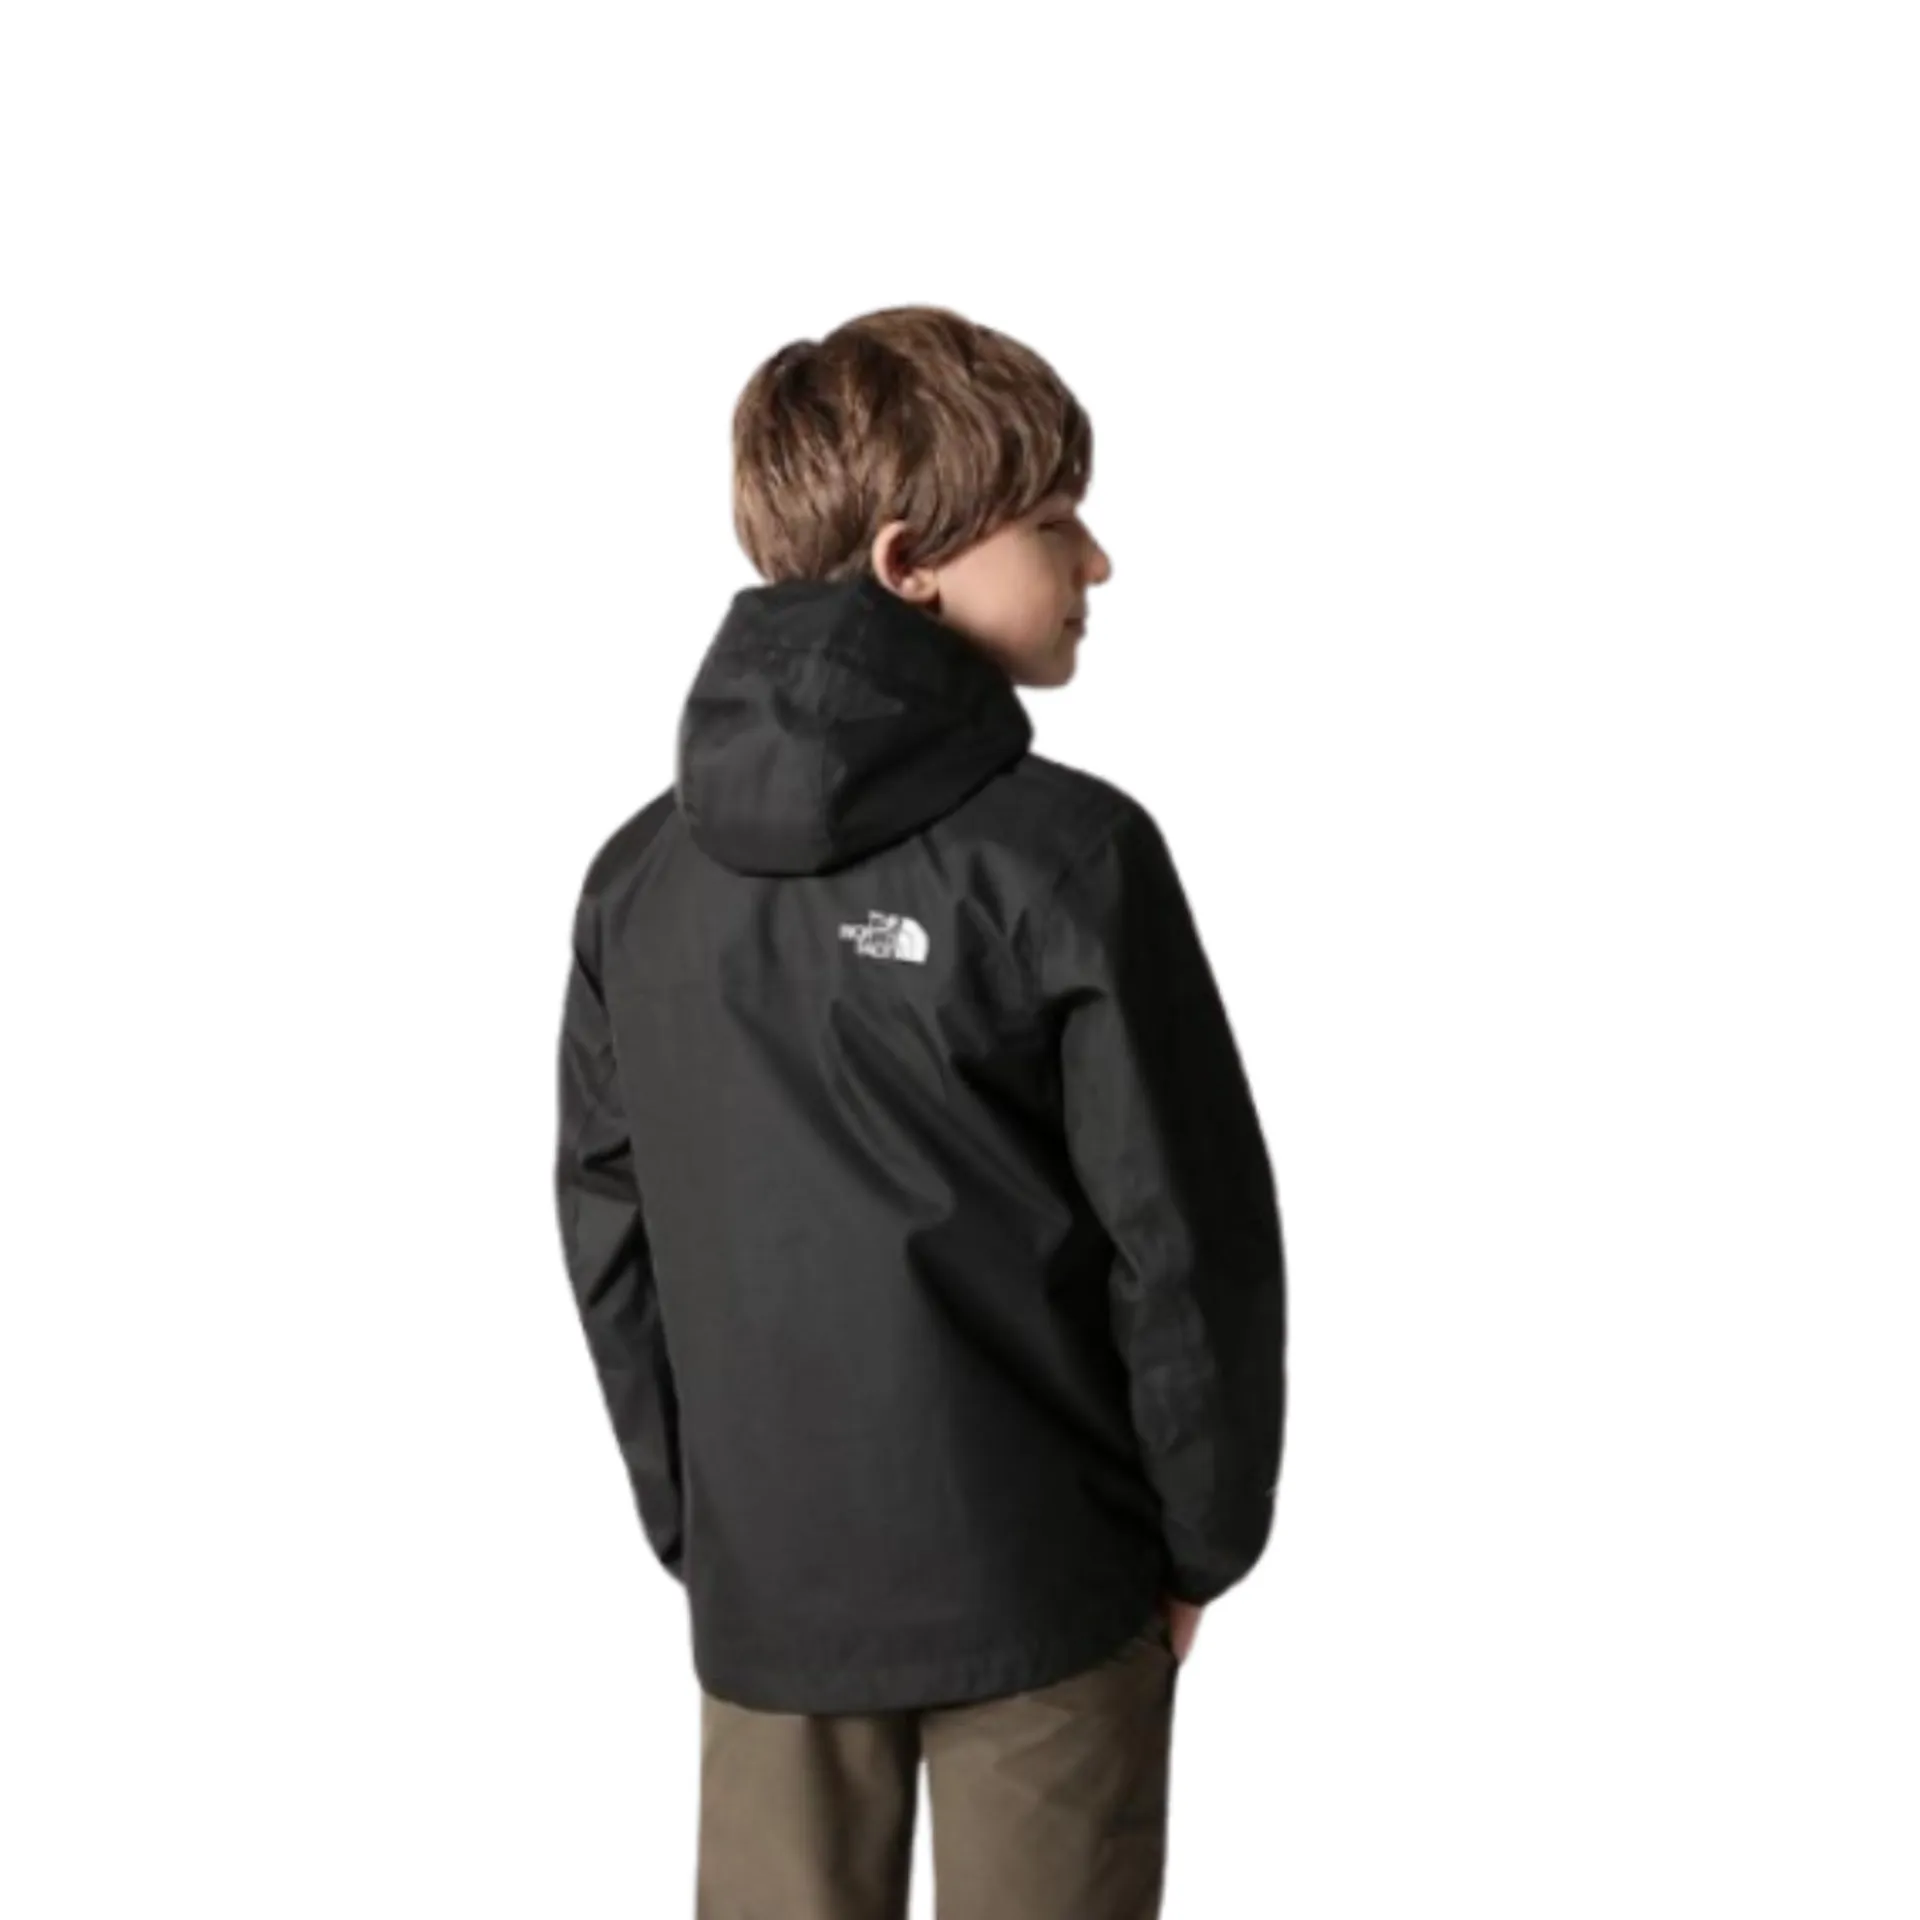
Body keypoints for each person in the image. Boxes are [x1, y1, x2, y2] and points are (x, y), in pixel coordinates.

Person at [552, 303, 1286, 1920]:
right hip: (1052, 1585)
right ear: (909, 565)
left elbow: (614, 1245)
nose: (1097, 561)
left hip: (772, 1602)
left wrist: (708, 1540)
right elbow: (1188, 1243)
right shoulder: (1068, 859)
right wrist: (1199, 1547)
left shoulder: (638, 880)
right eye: (1056, 520)